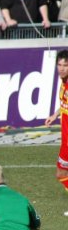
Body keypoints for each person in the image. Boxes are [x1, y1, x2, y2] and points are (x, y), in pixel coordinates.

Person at [44, 49, 68, 201]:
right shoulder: (63, 83)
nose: (61, 68)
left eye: (65, 65)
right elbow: (64, 104)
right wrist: (55, 115)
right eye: (59, 64)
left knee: (61, 174)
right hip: (65, 139)